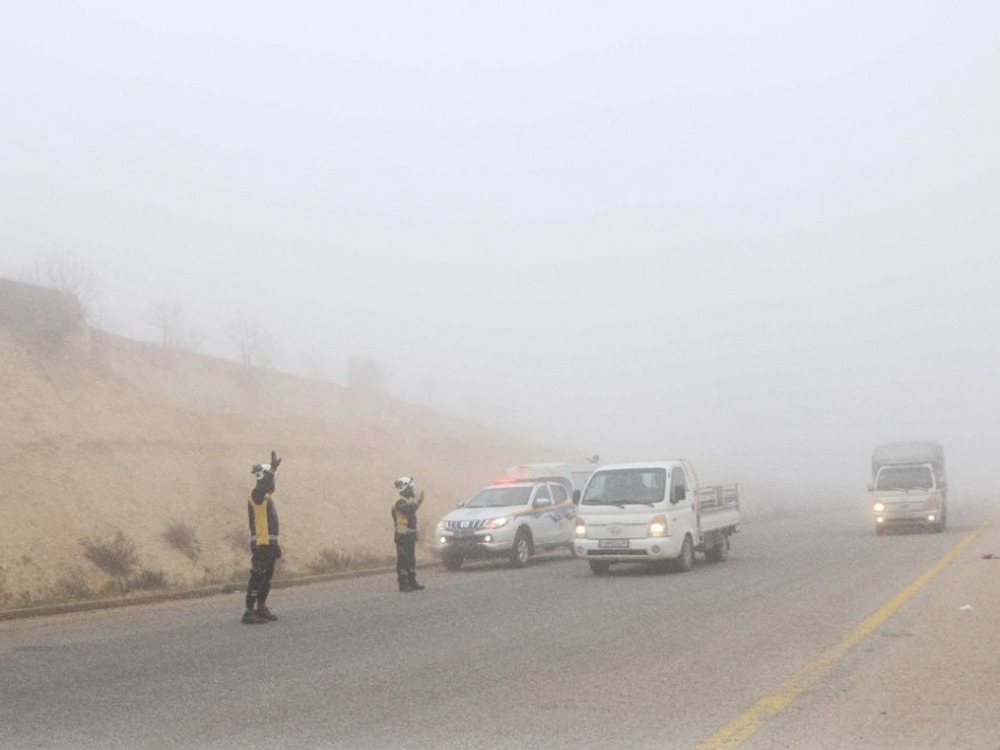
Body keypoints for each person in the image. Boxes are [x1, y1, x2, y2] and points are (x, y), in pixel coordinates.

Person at [242, 450, 282, 624]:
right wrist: (272, 470)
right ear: (263, 478)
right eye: (269, 480)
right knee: (258, 575)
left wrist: (275, 544)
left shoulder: (265, 497)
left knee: (267, 577)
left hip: (269, 544)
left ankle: (261, 607)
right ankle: (249, 611)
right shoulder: (256, 495)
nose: (273, 484)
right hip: (260, 544)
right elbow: (263, 485)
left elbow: (270, 524)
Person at [391, 476, 425, 592]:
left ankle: (412, 580)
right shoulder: (399, 502)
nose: (412, 490)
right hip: (402, 535)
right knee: (403, 559)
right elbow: (408, 510)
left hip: (409, 534)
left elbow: (412, 518)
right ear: (405, 488)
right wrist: (418, 502)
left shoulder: (408, 500)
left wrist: (415, 531)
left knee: (411, 559)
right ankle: (403, 583)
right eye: (410, 487)